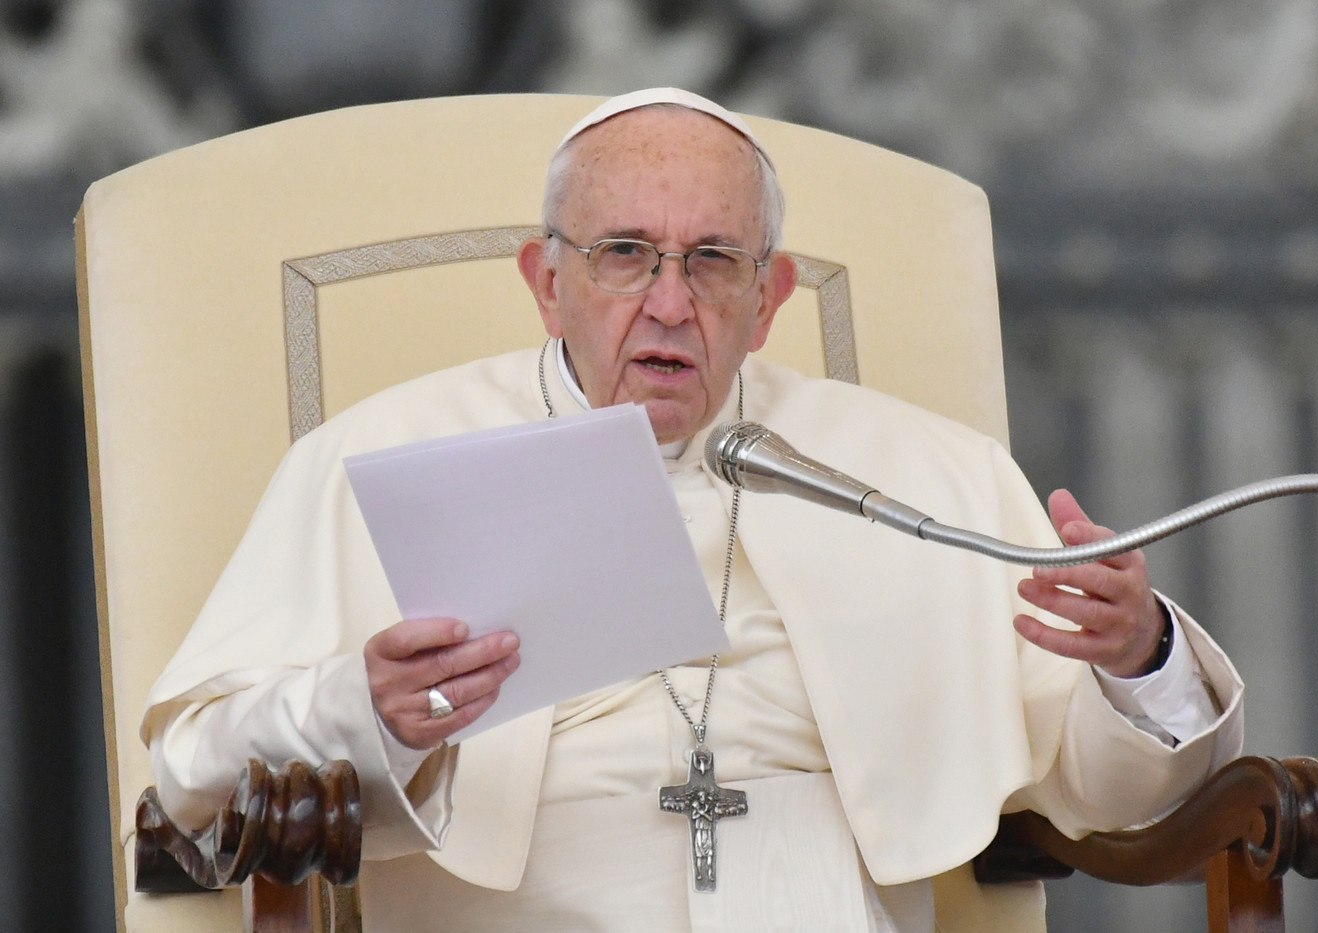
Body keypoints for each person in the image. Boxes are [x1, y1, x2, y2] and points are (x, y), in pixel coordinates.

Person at [143, 88, 1243, 932]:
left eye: (713, 261)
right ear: (545, 280)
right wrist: (365, 712)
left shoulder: (926, 473)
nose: (669, 303)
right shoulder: (374, 458)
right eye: (624, 254)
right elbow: (194, 774)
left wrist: (1135, 657)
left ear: (768, 300)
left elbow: (1113, 795)